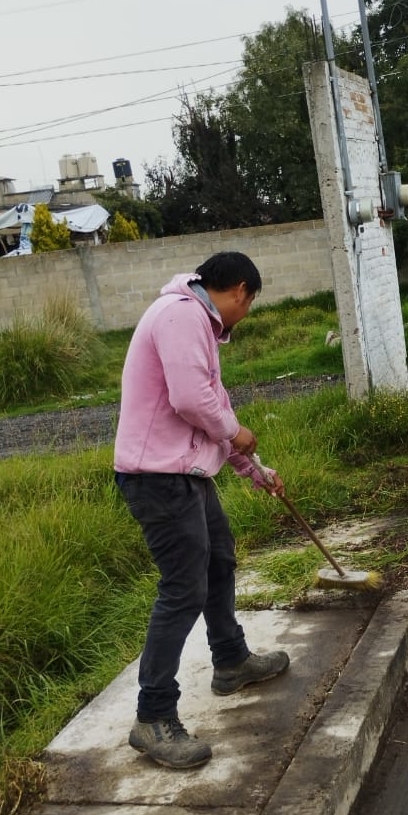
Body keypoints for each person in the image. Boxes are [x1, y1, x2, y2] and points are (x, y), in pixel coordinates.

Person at [114, 252, 290, 770]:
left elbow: (211, 406)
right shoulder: (181, 316)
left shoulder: (197, 322)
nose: (247, 312)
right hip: (157, 478)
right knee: (182, 588)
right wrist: (236, 434)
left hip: (185, 474)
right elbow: (193, 401)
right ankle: (153, 717)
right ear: (240, 291)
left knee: (219, 563)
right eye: (251, 303)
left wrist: (253, 468)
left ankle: (231, 660)